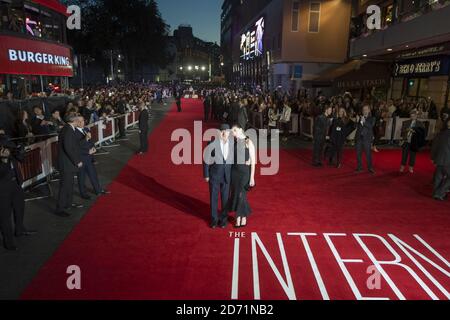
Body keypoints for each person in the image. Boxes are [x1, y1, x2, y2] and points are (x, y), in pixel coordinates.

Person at [0, 135, 36, 251]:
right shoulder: (3, 155)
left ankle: (19, 230)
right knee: (5, 217)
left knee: (20, 209)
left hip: (16, 185)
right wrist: (4, 160)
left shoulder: (10, 151)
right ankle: (8, 242)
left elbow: (22, 159)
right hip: (2, 189)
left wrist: (20, 151)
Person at [222, 124, 256, 228]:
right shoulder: (233, 142)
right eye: (233, 131)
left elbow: (253, 161)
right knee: (236, 194)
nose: (234, 133)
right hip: (234, 172)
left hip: (244, 173)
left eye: (235, 130)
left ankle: (238, 217)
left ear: (241, 130)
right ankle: (243, 216)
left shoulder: (248, 141)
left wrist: (252, 177)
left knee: (241, 194)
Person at [203, 124, 233, 229]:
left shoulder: (233, 144)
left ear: (229, 133)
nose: (224, 133)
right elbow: (206, 159)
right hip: (214, 176)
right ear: (219, 132)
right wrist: (206, 174)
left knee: (225, 199)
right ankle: (214, 220)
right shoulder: (212, 143)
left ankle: (223, 220)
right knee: (213, 199)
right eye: (222, 131)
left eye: (226, 131)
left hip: (227, 177)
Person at [55, 114, 84, 217]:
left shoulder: (68, 129)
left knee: (70, 185)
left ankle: (68, 203)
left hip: (68, 163)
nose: (80, 122)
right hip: (66, 164)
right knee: (64, 186)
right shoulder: (67, 130)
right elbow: (68, 148)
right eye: (78, 120)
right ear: (74, 120)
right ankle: (60, 208)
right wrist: (77, 161)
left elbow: (73, 145)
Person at [75, 117, 109, 200]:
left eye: (82, 120)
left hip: (89, 157)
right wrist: (86, 140)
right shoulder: (74, 132)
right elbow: (77, 146)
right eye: (79, 121)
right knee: (81, 177)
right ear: (76, 122)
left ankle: (98, 190)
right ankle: (83, 194)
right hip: (81, 157)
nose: (81, 122)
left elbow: (90, 140)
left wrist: (93, 148)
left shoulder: (86, 129)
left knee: (93, 174)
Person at [431, 118, 450, 201]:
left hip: (439, 159)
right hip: (448, 160)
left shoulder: (440, 134)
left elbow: (434, 146)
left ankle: (436, 193)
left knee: (438, 177)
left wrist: (433, 158)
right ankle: (439, 193)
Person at [355, 105, 376, 174]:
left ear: (369, 110)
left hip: (367, 139)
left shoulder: (372, 118)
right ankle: (359, 167)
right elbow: (356, 127)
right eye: (363, 109)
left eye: (366, 109)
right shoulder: (360, 117)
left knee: (368, 154)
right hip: (359, 138)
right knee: (358, 154)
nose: (364, 111)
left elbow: (370, 126)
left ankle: (370, 168)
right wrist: (357, 121)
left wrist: (363, 121)